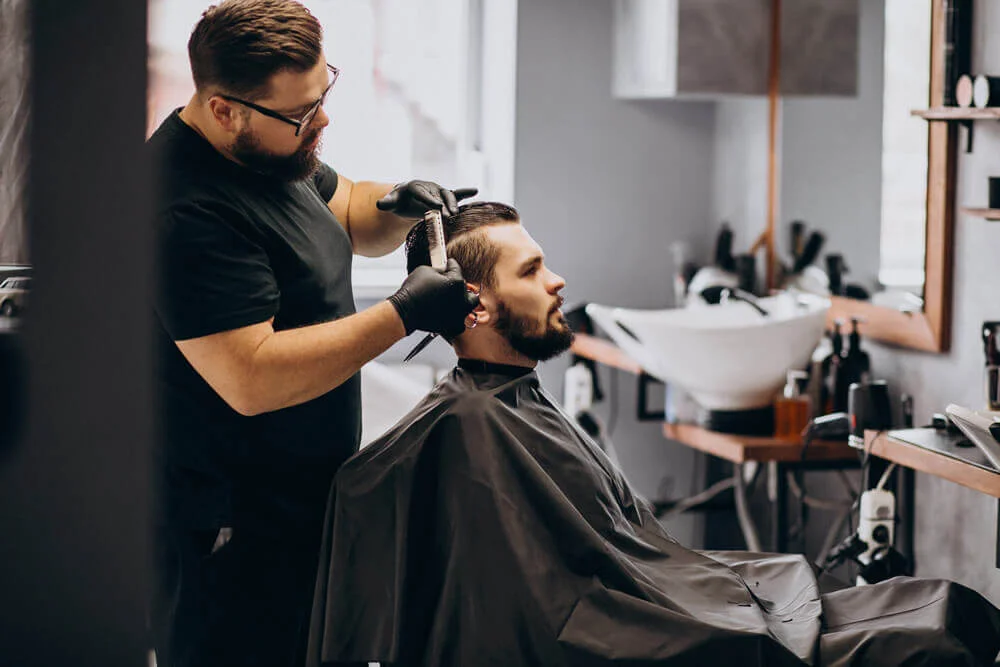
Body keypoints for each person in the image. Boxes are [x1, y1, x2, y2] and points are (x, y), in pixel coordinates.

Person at [308, 202, 1000, 667]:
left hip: (677, 598)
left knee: (944, 604)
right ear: (476, 304)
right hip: (651, 630)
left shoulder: (503, 404)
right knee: (929, 640)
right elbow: (548, 612)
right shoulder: (474, 425)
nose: (558, 281)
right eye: (531, 271)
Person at [147, 1, 479, 665]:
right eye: (302, 114)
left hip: (300, 512)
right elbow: (253, 374)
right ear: (223, 110)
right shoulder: (184, 208)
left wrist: (400, 201)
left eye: (323, 92)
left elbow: (349, 208)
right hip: (232, 535)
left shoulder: (268, 153)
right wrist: (403, 313)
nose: (321, 120)